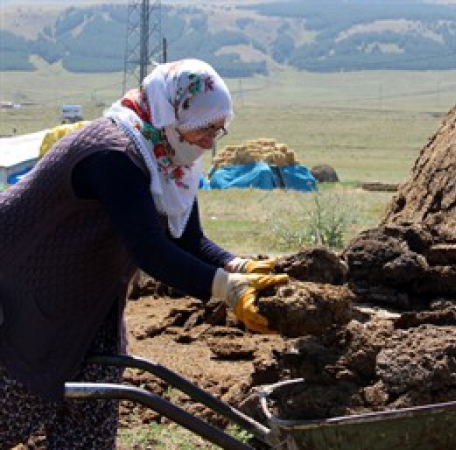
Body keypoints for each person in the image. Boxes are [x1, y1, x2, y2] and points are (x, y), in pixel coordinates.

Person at [0, 59, 288, 449]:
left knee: (91, 417)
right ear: (173, 113)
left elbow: (187, 238)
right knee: (15, 405)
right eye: (205, 129)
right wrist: (228, 290)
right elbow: (151, 250)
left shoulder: (168, 161)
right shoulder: (114, 154)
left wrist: (237, 266)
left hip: (85, 306)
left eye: (218, 130)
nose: (211, 142)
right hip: (22, 292)